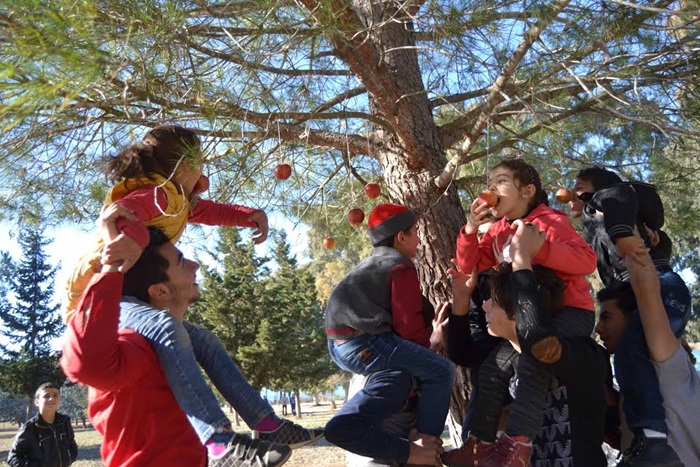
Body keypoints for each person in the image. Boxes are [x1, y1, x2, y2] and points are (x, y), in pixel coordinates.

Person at [61, 126, 322, 459]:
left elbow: (210, 212)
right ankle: (217, 442)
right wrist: (134, 241)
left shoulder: (177, 201)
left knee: (205, 342)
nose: (204, 170)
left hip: (128, 288)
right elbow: (125, 215)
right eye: (200, 162)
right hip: (106, 288)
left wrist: (248, 216)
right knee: (167, 327)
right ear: (184, 165)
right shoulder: (157, 194)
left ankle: (267, 423)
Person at [60, 205, 292, 467]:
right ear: (159, 291)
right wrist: (113, 264)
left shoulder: (184, 344)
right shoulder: (136, 344)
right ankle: (221, 443)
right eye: (182, 261)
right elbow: (83, 364)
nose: (196, 265)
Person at [453, 158, 597, 464]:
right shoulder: (497, 232)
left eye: (501, 182)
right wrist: (470, 229)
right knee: (493, 368)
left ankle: (518, 445)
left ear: (527, 191)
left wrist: (539, 250)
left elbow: (587, 261)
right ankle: (478, 443)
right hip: (530, 319)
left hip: (571, 312)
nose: (491, 190)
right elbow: (469, 267)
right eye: (489, 184)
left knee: (533, 357)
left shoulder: (550, 221)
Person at [573, 167, 691, 465]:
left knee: (631, 351)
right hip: (637, 286)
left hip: (660, 283)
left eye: (580, 186)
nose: (572, 192)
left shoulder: (610, 202)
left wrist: (623, 233)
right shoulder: (591, 222)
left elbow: (621, 197)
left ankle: (652, 434)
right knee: (629, 354)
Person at [325, 203, 455, 465]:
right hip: (366, 341)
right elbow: (408, 325)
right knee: (442, 371)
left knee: (421, 370)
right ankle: (425, 447)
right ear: (401, 236)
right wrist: (427, 352)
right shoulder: (400, 265)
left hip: (340, 345)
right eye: (416, 232)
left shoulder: (370, 265)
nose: (419, 239)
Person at [595, 254, 698, 465]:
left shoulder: (667, 361)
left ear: (635, 318)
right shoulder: (634, 375)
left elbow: (646, 292)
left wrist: (629, 242)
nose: (598, 328)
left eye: (606, 317)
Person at [7, 382, 78, 467]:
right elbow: (12, 457)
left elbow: (72, 445)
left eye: (55, 395)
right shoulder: (29, 428)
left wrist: (69, 460)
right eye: (46, 396)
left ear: (59, 400)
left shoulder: (65, 421)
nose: (51, 399)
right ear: (37, 402)